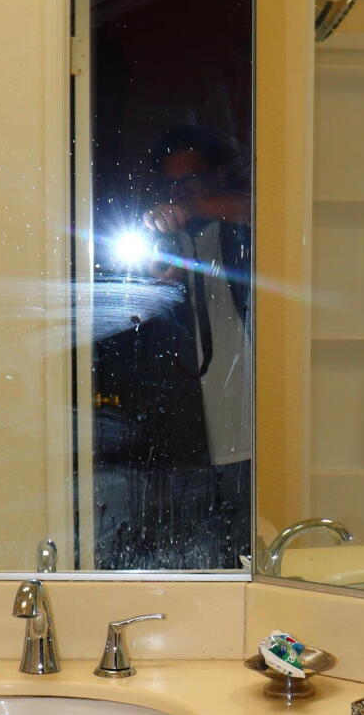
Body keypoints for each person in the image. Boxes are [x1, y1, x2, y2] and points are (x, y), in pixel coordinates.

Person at [96, 126, 252, 569]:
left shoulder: (243, 230)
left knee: (253, 550)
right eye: (173, 186)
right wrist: (156, 284)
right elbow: (128, 322)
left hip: (251, 425)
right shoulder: (165, 241)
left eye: (193, 180)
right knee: (191, 553)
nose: (183, 194)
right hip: (185, 434)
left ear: (219, 176)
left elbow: (256, 208)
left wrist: (190, 209)